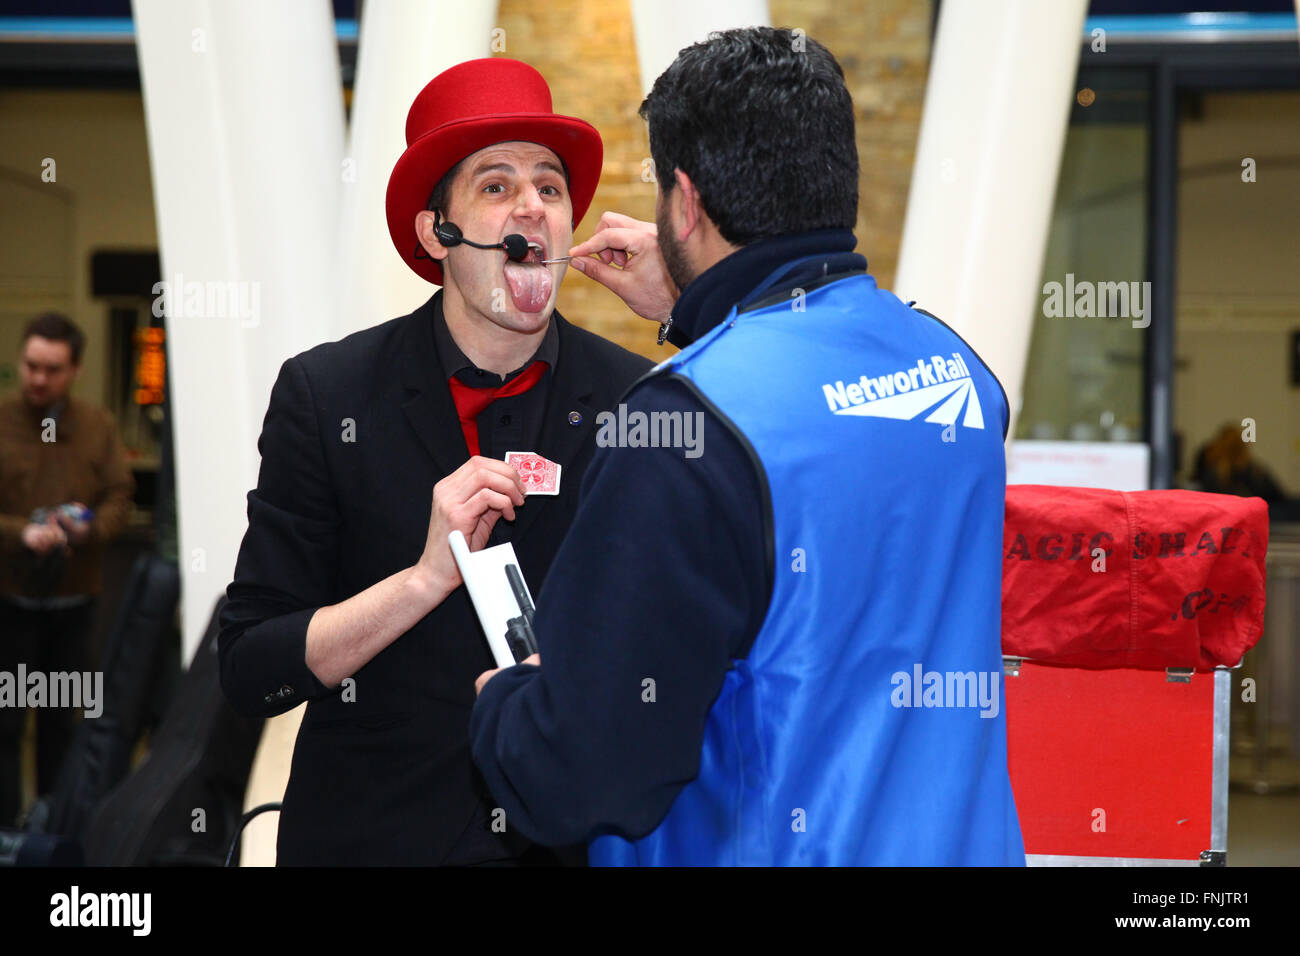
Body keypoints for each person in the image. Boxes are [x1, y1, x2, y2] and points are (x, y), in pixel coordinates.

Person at [471, 28, 1026, 865]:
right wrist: (699, 308)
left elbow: (584, 774)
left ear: (684, 201)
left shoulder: (683, 430)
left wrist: (505, 706)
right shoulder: (960, 374)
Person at [217, 57, 652, 865]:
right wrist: (422, 579)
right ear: (436, 233)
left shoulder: (639, 399)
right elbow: (252, 669)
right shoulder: (329, 394)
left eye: (550, 187)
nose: (533, 206)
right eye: (496, 185)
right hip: (370, 840)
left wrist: (687, 308)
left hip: (561, 844)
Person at [0, 313, 135, 825]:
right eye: (31, 365)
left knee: (63, 722)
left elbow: (121, 496)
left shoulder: (97, 425)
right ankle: (7, 831)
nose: (39, 378)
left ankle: (52, 834)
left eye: (52, 369)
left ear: (75, 369)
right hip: (9, 602)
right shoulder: (3, 420)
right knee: (5, 725)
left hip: (75, 606)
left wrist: (91, 529)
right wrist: (22, 534)